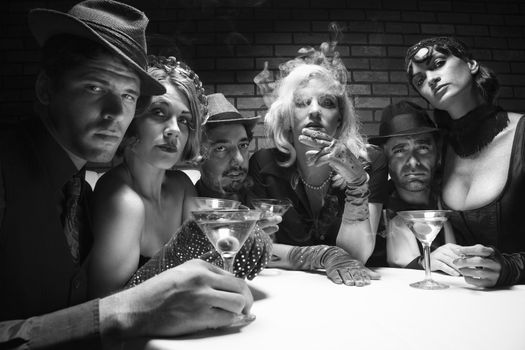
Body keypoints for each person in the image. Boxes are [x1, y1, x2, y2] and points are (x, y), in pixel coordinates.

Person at [0, 2, 252, 348]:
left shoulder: (78, 188)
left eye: (129, 95)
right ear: (46, 88)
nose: (115, 113)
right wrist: (127, 310)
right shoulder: (12, 174)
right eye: (94, 87)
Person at [89, 56, 270, 297]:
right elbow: (106, 307)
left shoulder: (181, 186)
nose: (174, 129)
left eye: (184, 120)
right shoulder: (122, 199)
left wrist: (242, 233)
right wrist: (192, 241)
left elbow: (205, 264)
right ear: (132, 119)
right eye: (158, 112)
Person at [197, 93, 378, 286]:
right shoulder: (187, 197)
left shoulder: (248, 193)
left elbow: (259, 249)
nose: (240, 161)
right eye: (220, 148)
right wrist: (321, 254)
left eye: (243, 145)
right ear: (196, 152)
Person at [250, 45, 389, 266]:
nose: (314, 111)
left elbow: (357, 256)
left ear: (341, 119)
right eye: (302, 102)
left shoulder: (370, 161)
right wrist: (318, 257)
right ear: (287, 118)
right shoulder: (264, 164)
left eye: (327, 103)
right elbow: (259, 247)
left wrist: (357, 183)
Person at [405, 36, 525, 287]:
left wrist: (512, 269)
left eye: (438, 63)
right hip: (466, 303)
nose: (430, 79)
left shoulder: (522, 133)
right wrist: (431, 259)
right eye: (419, 80)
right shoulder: (441, 152)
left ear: (471, 64)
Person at [369, 100, 459, 275]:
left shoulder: (458, 206)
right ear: (385, 157)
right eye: (400, 150)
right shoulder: (371, 212)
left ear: (438, 154)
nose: (413, 162)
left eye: (423, 148)